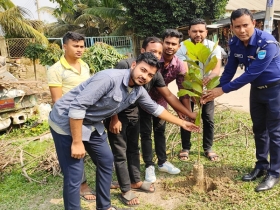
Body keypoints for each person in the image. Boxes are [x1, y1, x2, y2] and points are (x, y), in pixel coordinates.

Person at [49, 52, 199, 210]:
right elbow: (77, 107)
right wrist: (77, 142)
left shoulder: (138, 90)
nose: (144, 76)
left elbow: (156, 109)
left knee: (106, 161)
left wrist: (183, 123)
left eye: (150, 75)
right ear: (134, 65)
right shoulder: (109, 78)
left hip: (90, 122)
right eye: (143, 70)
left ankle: (104, 207)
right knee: (74, 173)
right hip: (65, 120)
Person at [201, 8, 280, 192]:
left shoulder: (267, 43)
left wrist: (223, 90)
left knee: (275, 131)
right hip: (256, 90)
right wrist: (216, 88)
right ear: (231, 28)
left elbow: (251, 73)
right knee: (258, 128)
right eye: (237, 27)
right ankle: (261, 165)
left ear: (254, 24)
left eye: (245, 25)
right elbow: (230, 69)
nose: (242, 30)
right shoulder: (235, 43)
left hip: (275, 89)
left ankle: (274, 173)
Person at [105, 36, 196, 206]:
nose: (156, 55)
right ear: (142, 52)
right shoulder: (125, 65)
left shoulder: (154, 73)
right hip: (116, 114)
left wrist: (187, 116)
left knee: (134, 149)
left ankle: (136, 181)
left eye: (159, 52)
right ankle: (125, 190)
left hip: (134, 113)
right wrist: (114, 118)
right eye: (153, 51)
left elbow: (166, 96)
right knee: (120, 152)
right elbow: (112, 96)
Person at [47, 31, 96, 202]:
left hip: (85, 117)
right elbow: (57, 100)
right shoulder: (56, 70)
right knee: (73, 154)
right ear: (64, 46)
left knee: (82, 151)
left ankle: (82, 184)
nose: (80, 49)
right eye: (75, 46)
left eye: (82, 46)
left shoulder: (85, 66)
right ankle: (81, 186)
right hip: (66, 118)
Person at [140, 29, 192, 182]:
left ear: (179, 46)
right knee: (145, 134)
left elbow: (183, 90)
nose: (170, 46)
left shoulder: (179, 65)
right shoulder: (152, 58)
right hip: (142, 101)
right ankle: (149, 165)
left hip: (162, 102)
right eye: (167, 43)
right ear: (162, 43)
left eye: (174, 44)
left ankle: (162, 162)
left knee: (160, 132)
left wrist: (186, 112)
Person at [176, 18, 221, 161]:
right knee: (187, 115)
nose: (198, 34)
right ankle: (185, 148)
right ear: (188, 31)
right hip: (188, 86)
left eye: (201, 31)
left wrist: (207, 81)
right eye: (194, 31)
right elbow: (184, 70)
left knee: (208, 118)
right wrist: (195, 88)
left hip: (207, 88)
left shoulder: (214, 47)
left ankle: (208, 148)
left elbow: (216, 69)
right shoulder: (182, 47)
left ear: (206, 32)